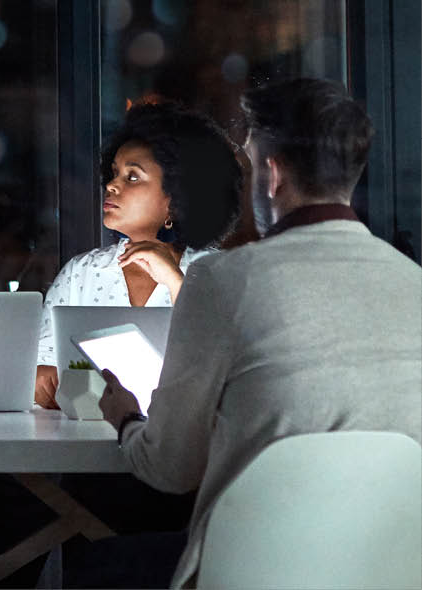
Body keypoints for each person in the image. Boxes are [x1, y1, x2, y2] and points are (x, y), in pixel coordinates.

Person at [80, 78, 422, 588]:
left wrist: (126, 415)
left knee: (80, 565)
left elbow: (169, 469)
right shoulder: (413, 283)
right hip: (388, 571)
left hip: (248, 572)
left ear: (272, 174)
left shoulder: (221, 281)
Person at [35, 102, 242, 409]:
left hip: (183, 446)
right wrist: (43, 381)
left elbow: (232, 368)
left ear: (176, 199)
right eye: (115, 173)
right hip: (87, 443)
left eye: (132, 177)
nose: (111, 185)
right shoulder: (82, 272)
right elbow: (39, 365)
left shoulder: (217, 272)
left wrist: (174, 280)